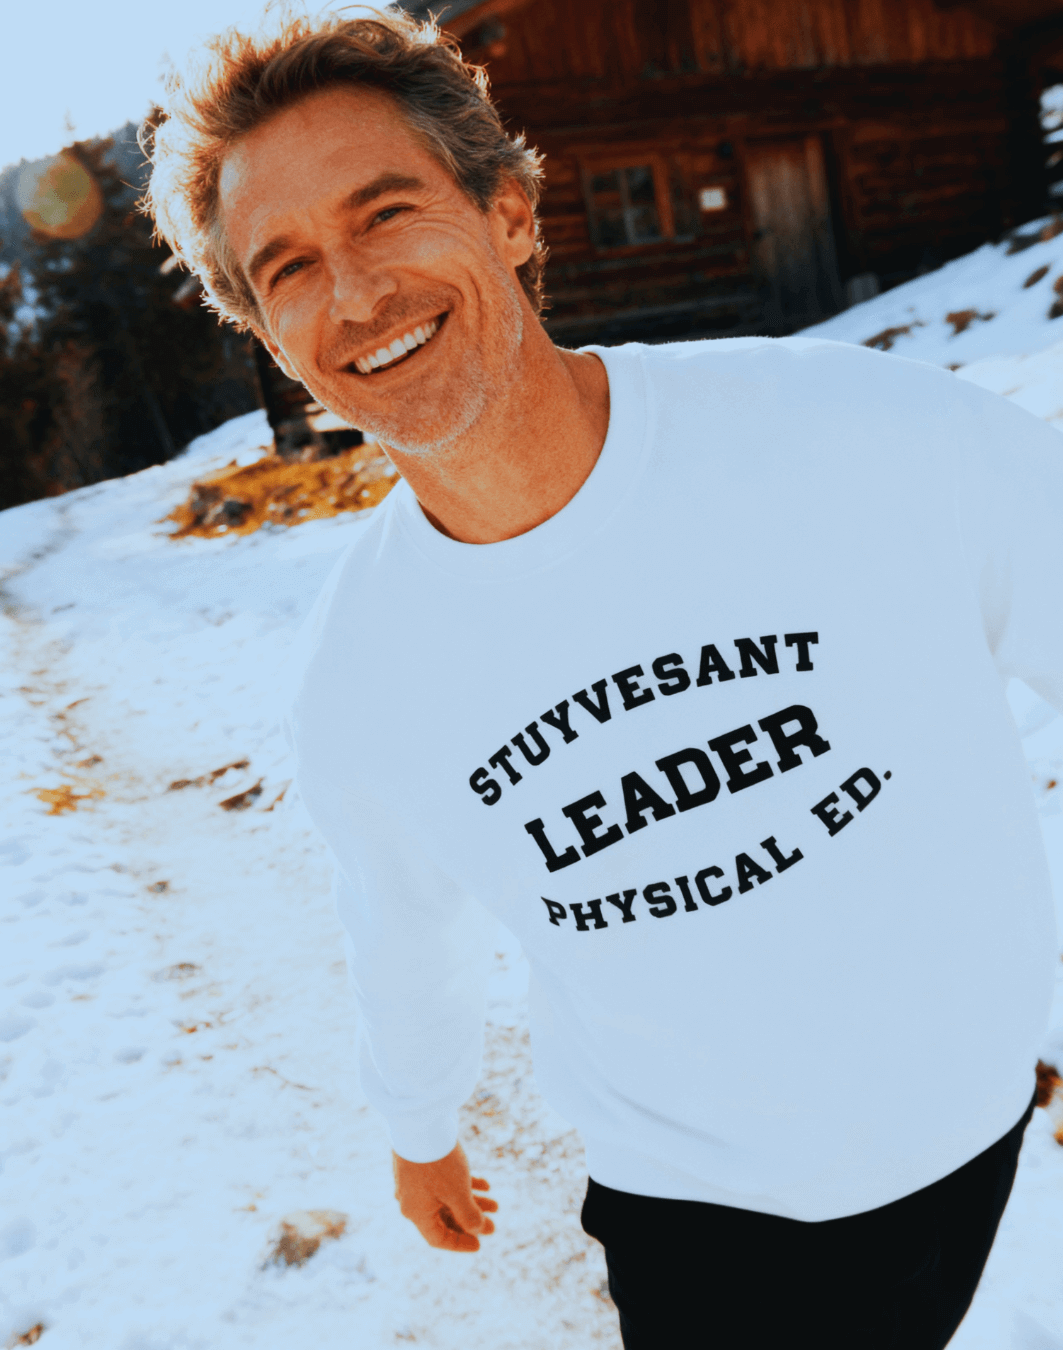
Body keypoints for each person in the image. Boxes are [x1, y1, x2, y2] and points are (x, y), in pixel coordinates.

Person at [143, 9, 1062, 1346]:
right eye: (287, 267)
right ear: (271, 337)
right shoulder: (362, 681)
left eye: (386, 211)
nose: (352, 295)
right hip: (699, 1212)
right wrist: (417, 1127)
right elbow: (401, 931)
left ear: (508, 209)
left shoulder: (863, 441)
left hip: (972, 1126)